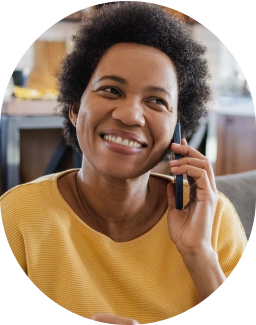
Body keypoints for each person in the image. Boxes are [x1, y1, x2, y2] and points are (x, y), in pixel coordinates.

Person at [0, 2, 248, 324]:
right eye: (111, 90)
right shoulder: (17, 217)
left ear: (178, 128)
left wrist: (198, 253)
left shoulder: (214, 222)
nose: (130, 115)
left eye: (157, 101)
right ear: (75, 108)